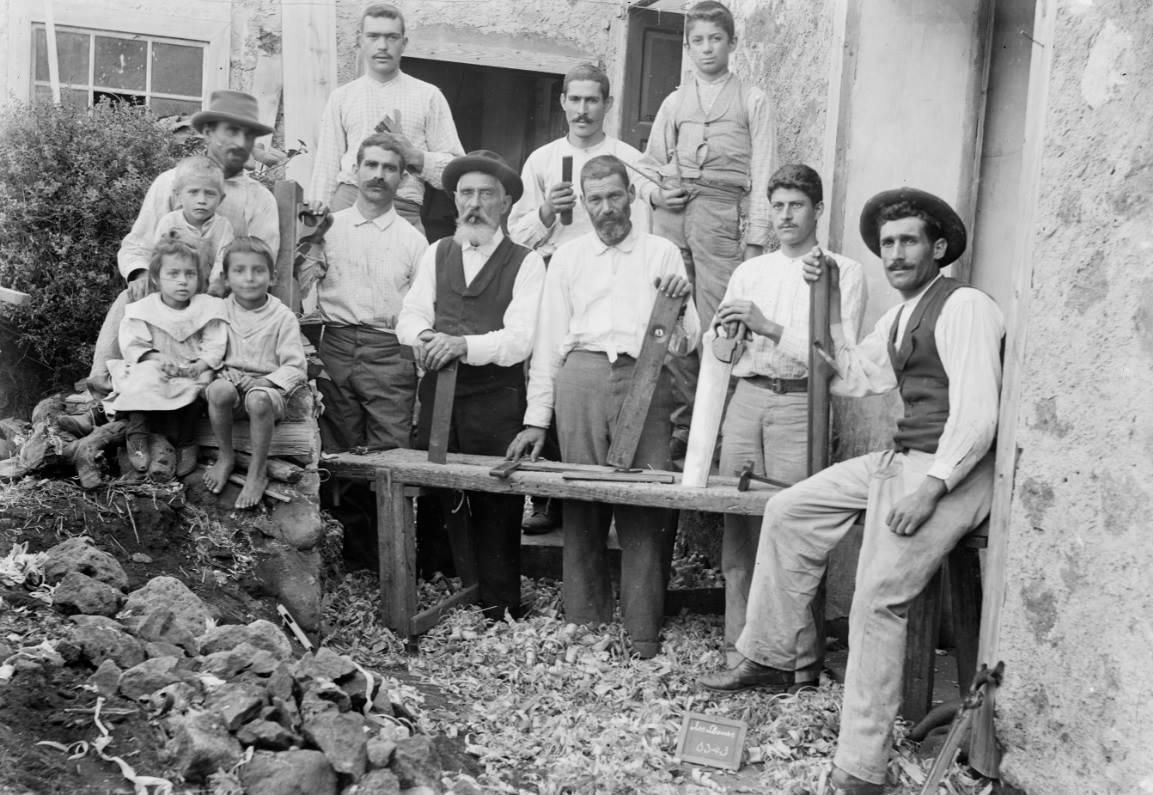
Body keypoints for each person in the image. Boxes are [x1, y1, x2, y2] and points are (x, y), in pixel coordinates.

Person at [697, 189, 1004, 795]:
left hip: (956, 470)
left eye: (909, 241)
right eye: (887, 244)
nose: (895, 254)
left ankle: (862, 767)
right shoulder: (901, 316)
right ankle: (770, 655)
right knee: (789, 508)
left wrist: (931, 489)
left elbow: (977, 417)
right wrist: (819, 308)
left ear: (939, 248)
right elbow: (853, 375)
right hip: (905, 459)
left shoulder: (964, 306)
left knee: (876, 599)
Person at [506, 154, 699, 658]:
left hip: (646, 377)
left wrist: (680, 305)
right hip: (583, 379)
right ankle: (586, 626)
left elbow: (687, 340)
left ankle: (642, 632)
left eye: (615, 196)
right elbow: (548, 343)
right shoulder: (568, 258)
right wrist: (537, 418)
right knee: (581, 501)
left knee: (646, 503)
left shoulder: (661, 252)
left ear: (631, 196)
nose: (607, 208)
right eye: (596, 199)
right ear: (584, 204)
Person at [708, 165, 867, 666]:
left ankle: (793, 656)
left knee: (796, 529)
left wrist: (769, 326)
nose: (785, 216)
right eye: (777, 206)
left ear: (817, 210)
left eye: (796, 205)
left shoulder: (842, 272)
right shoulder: (750, 272)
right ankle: (740, 649)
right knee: (738, 527)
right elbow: (718, 346)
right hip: (747, 396)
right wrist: (727, 334)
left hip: (802, 403)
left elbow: (834, 359)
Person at [397, 150, 545, 619]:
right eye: (466, 194)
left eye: (486, 194)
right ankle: (439, 600)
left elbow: (520, 339)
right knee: (436, 495)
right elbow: (410, 315)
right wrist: (426, 338)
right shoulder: (438, 252)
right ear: (455, 201)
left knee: (495, 499)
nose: (474, 204)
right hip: (440, 394)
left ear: (505, 203)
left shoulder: (526, 262)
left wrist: (462, 345)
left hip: (496, 397)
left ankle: (498, 606)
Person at [508, 61, 653, 534]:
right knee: (548, 372)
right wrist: (547, 212)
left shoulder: (630, 159)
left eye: (593, 100)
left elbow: (645, 230)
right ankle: (549, 497)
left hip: (615, 281)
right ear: (563, 102)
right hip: (558, 272)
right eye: (575, 99)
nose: (583, 110)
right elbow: (517, 234)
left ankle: (622, 498)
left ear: (608, 104)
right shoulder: (542, 159)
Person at [636, 0, 777, 460]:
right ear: (687, 46)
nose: (707, 48)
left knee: (720, 324)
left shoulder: (753, 100)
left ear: (732, 43)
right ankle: (684, 424)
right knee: (675, 318)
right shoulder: (674, 102)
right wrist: (656, 196)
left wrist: (755, 242)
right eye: (697, 40)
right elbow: (648, 166)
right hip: (674, 216)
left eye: (715, 39)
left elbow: (764, 172)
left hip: (721, 218)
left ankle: (717, 430)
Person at [314, 134, 428, 453]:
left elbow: (422, 312)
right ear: (355, 170)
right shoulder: (327, 229)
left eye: (389, 168)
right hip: (335, 346)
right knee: (335, 451)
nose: (379, 175)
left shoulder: (414, 241)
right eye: (371, 165)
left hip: (389, 352)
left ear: (402, 179)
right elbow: (303, 284)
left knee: (391, 451)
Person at [307, 3, 465, 233]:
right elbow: (326, 166)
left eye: (392, 37)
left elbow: (457, 172)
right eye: (373, 36)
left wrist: (414, 155)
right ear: (360, 41)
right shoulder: (342, 97)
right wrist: (315, 227)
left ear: (404, 43)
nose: (382, 46)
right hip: (349, 202)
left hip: (403, 207)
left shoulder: (428, 96)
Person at [118, 90, 280, 301]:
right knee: (125, 303)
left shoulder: (260, 199)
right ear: (208, 133)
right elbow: (138, 245)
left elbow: (262, 262)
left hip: (226, 303)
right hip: (167, 297)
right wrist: (141, 276)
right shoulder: (171, 183)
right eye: (232, 131)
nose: (241, 143)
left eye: (248, 136)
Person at [104, 233, 228, 481]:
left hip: (190, 368)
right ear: (156, 278)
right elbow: (133, 343)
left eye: (190, 274)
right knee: (143, 378)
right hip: (155, 367)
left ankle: (186, 441)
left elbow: (215, 344)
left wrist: (200, 364)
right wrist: (155, 357)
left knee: (199, 387)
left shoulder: (207, 307)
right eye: (173, 274)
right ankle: (137, 433)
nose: (182, 281)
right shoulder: (144, 308)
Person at [203, 237, 307, 509]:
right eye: (239, 271)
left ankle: (257, 471)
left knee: (258, 398)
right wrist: (222, 371)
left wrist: (263, 381)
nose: (249, 278)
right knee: (218, 390)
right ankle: (226, 456)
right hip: (231, 394)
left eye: (258, 270)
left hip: (268, 397)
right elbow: (207, 352)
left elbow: (296, 367)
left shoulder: (282, 316)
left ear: (272, 277)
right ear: (226, 278)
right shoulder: (218, 311)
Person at [153, 155, 235, 295]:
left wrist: (214, 291)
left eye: (210, 194)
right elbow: (158, 260)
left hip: (209, 293)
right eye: (193, 192)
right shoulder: (169, 222)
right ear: (178, 195)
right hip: (173, 289)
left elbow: (222, 262)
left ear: (221, 199)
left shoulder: (223, 226)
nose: (201, 200)